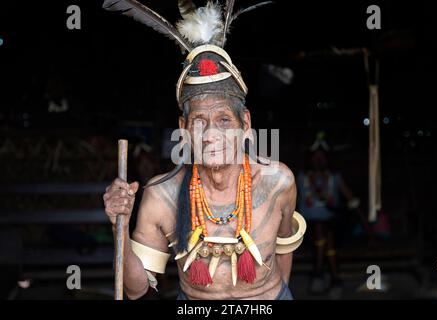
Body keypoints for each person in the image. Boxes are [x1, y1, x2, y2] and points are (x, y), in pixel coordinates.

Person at [101, 0, 305, 300]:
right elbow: (136, 289)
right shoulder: (162, 195)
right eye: (199, 121)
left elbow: (284, 246)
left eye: (224, 119)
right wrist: (119, 224)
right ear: (183, 128)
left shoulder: (278, 181)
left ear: (244, 123)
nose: (211, 135)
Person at [297, 132, 359, 296]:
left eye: (322, 157)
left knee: (325, 231)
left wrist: (366, 219)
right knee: (320, 230)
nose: (319, 160)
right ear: (310, 159)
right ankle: (335, 278)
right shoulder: (301, 177)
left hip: (332, 222)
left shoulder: (335, 178)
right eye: (315, 157)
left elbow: (352, 200)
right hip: (307, 226)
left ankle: (318, 275)